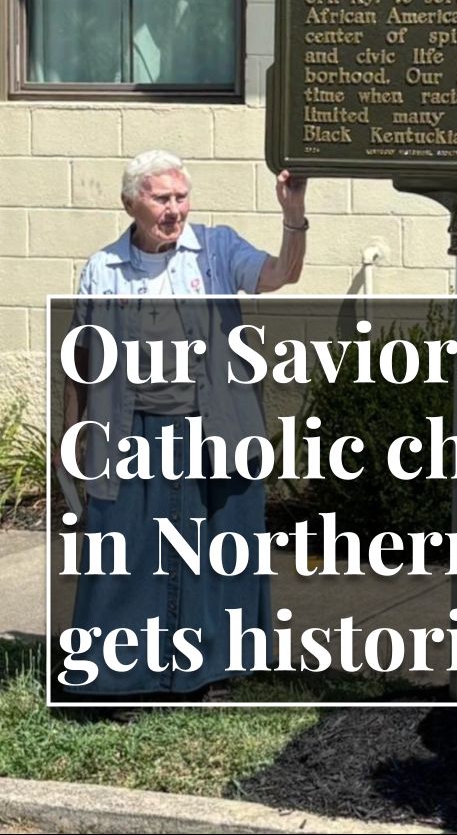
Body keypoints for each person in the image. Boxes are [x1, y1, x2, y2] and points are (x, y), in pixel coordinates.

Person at [56, 149, 309, 700]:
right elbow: (81, 360)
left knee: (217, 546)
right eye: (161, 198)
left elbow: (282, 273)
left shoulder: (215, 250)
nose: (174, 210)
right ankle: (121, 679)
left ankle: (210, 670)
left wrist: (294, 214)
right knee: (126, 550)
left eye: (181, 197)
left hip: (212, 423)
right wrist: (72, 438)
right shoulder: (103, 267)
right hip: (131, 430)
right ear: (131, 204)